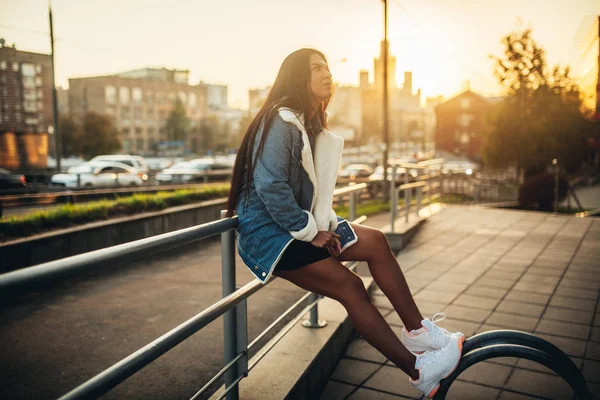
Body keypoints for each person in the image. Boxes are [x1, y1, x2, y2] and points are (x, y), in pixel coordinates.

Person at [226, 48, 464, 398]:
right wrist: (311, 233)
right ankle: (419, 371)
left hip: (295, 225)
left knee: (376, 242)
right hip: (270, 236)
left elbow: (312, 192)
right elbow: (270, 185)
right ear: (298, 77)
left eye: (327, 68)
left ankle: (418, 331)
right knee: (352, 288)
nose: (327, 74)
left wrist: (326, 226)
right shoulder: (280, 120)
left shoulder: (307, 123)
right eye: (317, 68)